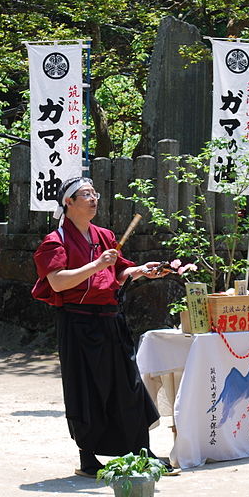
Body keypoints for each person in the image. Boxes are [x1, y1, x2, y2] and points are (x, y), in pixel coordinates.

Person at [31, 176, 169, 478]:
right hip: (77, 321)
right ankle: (88, 457)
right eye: (85, 194)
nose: (93, 199)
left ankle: (142, 451)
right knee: (86, 389)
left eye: (95, 194)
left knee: (129, 387)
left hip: (110, 319)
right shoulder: (56, 241)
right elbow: (57, 281)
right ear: (69, 202)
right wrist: (96, 266)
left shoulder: (104, 235)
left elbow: (119, 274)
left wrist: (142, 271)